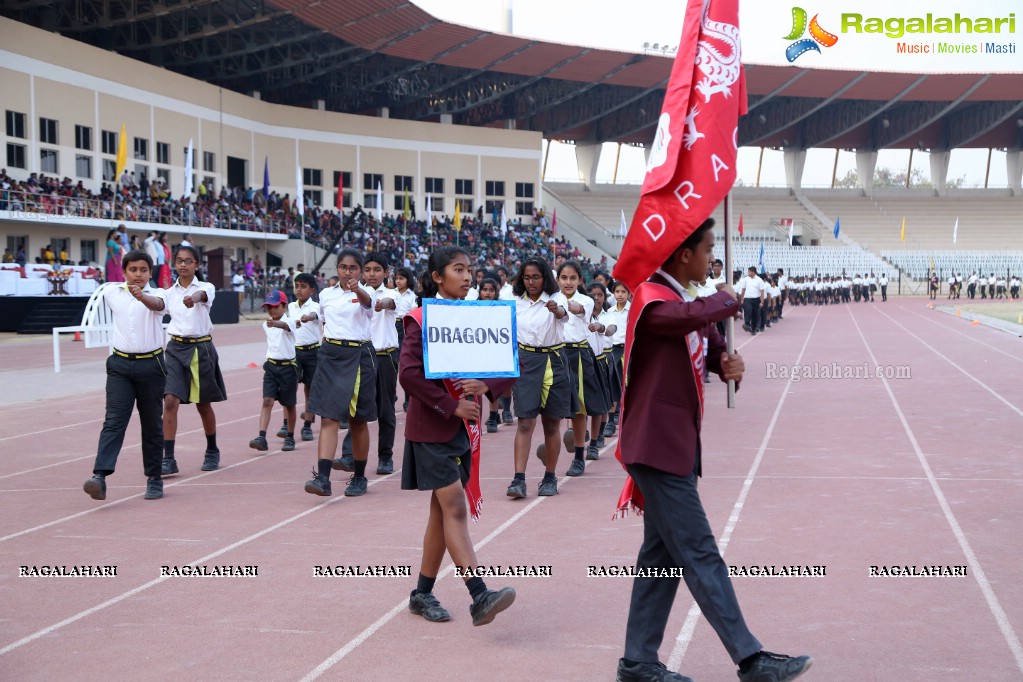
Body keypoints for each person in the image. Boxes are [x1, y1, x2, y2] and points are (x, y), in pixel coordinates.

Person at [613, 219, 812, 682]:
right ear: (684, 256)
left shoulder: (680, 300)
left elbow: (711, 342)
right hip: (656, 447)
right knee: (700, 552)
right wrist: (727, 298)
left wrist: (727, 361)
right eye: (707, 251)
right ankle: (750, 659)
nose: (711, 260)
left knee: (659, 559)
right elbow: (685, 321)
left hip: (673, 446)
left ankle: (638, 661)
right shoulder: (650, 299)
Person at [399, 245, 517, 627]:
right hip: (432, 427)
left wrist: (487, 385)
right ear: (437, 277)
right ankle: (479, 594)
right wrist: (449, 406)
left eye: (470, 270)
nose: (468, 277)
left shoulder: (479, 317)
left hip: (464, 428)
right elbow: (409, 375)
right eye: (458, 269)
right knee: (454, 507)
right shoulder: (419, 319)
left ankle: (422, 592)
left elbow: (508, 363)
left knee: (440, 514)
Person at [83, 249, 168, 502]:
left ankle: (154, 478)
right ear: (125, 272)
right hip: (120, 366)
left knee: (152, 423)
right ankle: (99, 476)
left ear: (150, 273)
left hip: (151, 366)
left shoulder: (158, 294)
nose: (138, 275)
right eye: (133, 270)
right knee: (114, 420)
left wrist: (142, 297)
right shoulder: (111, 292)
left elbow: (159, 306)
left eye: (143, 270)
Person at [303, 249, 378, 498]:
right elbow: (324, 320)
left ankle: (359, 476)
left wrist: (357, 289)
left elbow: (369, 304)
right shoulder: (326, 295)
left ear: (360, 270)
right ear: (337, 269)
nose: (348, 272)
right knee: (328, 417)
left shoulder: (367, 292)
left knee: (357, 420)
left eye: (353, 268)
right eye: (343, 267)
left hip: (358, 356)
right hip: (330, 355)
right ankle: (323, 478)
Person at [506, 257, 573, 499]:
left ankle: (549, 477)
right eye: (527, 277)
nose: (531, 281)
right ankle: (518, 479)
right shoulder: (513, 302)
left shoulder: (556, 299)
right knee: (525, 421)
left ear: (545, 277)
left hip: (554, 360)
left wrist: (557, 310)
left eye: (536, 277)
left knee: (551, 423)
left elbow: (564, 314)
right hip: (526, 360)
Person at [160, 245, 228, 476]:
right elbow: (156, 304)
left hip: (201, 348)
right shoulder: (169, 293)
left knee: (203, 404)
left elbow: (203, 296)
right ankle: (168, 457)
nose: (182, 265)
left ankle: (212, 449)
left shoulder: (205, 287)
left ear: (196, 264)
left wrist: (194, 298)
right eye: (179, 261)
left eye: (188, 261)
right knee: (170, 400)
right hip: (175, 348)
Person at [337, 253, 400, 476]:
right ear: (362, 272)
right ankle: (348, 455)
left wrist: (380, 303)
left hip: (384, 356)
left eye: (377, 270)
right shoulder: (352, 294)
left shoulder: (392, 294)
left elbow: (389, 304)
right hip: (361, 355)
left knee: (384, 409)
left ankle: (386, 456)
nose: (372, 274)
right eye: (368, 270)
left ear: (386, 273)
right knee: (357, 407)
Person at [555, 260, 606, 478]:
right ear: (557, 279)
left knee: (580, 407)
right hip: (556, 354)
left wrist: (561, 307)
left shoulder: (585, 299)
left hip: (578, 354)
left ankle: (578, 457)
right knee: (554, 408)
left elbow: (578, 310)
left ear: (580, 280)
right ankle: (551, 453)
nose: (568, 282)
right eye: (564, 278)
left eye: (573, 278)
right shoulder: (550, 298)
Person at [249, 290, 298, 453]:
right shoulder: (266, 324)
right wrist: (272, 323)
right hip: (271, 367)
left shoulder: (289, 322)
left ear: (284, 306)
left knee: (289, 404)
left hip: (288, 368)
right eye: (268, 307)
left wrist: (276, 323)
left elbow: (285, 327)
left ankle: (290, 437)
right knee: (267, 400)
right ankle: (261, 436)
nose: (271, 310)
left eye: (275, 306)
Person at [288, 272, 322, 442]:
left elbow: (315, 316)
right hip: (294, 352)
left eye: (303, 286)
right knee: (289, 388)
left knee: (310, 388)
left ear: (312, 290)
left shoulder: (315, 306)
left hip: (312, 352)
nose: (299, 290)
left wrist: (308, 318)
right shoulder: (291, 307)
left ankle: (307, 425)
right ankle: (287, 422)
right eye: (297, 286)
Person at [586, 280, 616, 458]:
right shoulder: (580, 316)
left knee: (602, 403)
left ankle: (595, 441)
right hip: (584, 360)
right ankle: (583, 435)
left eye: (600, 295)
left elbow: (611, 329)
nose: (596, 299)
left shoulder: (608, 315)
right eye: (593, 295)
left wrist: (602, 328)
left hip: (603, 359)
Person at [394, 266, 419, 413]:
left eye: (401, 278)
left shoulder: (412, 296)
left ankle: (408, 398)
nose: (398, 281)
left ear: (408, 280)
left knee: (405, 364)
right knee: (393, 364)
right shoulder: (392, 293)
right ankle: (392, 395)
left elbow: (412, 311)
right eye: (396, 278)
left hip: (405, 326)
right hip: (392, 326)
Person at [737, 267, 764, 336]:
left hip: (756, 299)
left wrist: (762, 301)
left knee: (754, 315)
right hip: (747, 299)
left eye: (750, 272)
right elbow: (743, 290)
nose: (749, 273)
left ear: (754, 272)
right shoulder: (745, 279)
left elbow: (762, 291)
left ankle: (753, 329)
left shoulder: (759, 280)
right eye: (748, 271)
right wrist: (742, 299)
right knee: (748, 310)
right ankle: (747, 324)